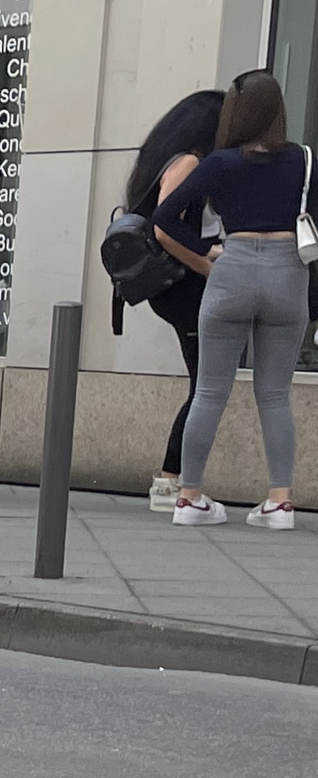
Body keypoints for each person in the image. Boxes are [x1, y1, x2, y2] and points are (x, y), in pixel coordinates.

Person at [152, 69, 303, 528]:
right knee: (275, 394)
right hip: (286, 274)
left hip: (232, 271)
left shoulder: (219, 164)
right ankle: (279, 502)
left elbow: (164, 217)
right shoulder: (303, 160)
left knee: (210, 392)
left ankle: (190, 498)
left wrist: (205, 250)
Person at [129, 89, 226, 509]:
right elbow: (164, 229)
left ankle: (174, 479)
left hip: (177, 289)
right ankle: (170, 480)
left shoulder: (171, 158)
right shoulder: (188, 163)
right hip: (184, 288)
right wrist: (208, 264)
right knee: (205, 385)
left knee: (204, 383)